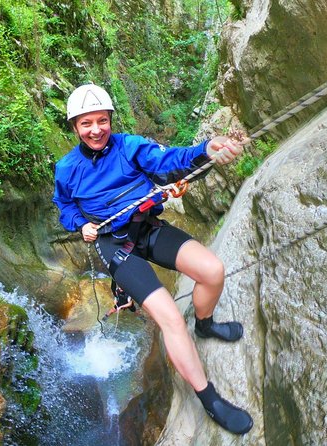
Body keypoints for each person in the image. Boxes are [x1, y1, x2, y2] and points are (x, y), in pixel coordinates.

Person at [52, 84, 253, 435]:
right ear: (75, 128)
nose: (96, 129)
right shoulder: (67, 169)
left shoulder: (130, 147)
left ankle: (205, 325)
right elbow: (65, 208)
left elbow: (169, 160)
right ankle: (210, 398)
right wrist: (81, 224)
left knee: (213, 270)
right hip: (113, 243)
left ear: (110, 120)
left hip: (147, 227)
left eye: (102, 120)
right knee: (171, 319)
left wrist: (206, 149)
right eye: (86, 123)